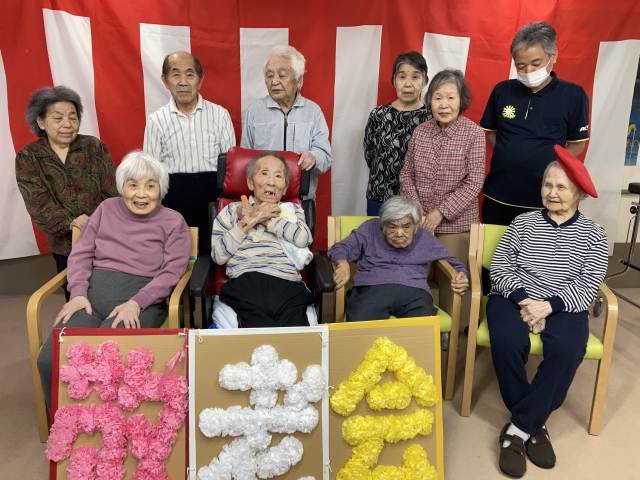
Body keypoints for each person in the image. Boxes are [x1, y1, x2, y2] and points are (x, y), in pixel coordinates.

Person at [488, 146, 607, 478]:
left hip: (564, 303)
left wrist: (549, 305)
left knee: (568, 349)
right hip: (515, 298)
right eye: (548, 185)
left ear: (579, 194)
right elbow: (499, 268)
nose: (552, 193)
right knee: (506, 340)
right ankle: (535, 424)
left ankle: (518, 428)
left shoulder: (594, 234)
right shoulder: (522, 223)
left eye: (561, 187)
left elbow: (588, 284)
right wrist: (526, 300)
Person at [37, 151, 191, 409]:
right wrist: (78, 293)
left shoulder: (173, 221)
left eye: (150, 186)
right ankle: (65, 420)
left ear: (161, 190)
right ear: (122, 187)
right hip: (89, 300)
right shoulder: (106, 209)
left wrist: (137, 302)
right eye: (133, 185)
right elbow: (81, 254)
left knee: (107, 358)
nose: (141, 194)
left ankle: (106, 422)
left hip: (140, 302)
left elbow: (173, 270)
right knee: (50, 359)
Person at [480, 22, 590, 226]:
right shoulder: (502, 91)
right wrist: (509, 155)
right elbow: (492, 132)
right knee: (494, 247)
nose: (528, 71)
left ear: (553, 55)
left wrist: (550, 168)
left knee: (539, 247)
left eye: (535, 63)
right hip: (499, 194)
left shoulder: (573, 95)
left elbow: (577, 145)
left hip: (545, 199)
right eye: (521, 66)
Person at [15, 86, 118, 300]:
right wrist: (71, 223)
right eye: (58, 118)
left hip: (105, 238)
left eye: (73, 117)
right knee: (75, 296)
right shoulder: (29, 157)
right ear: (40, 122)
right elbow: (38, 204)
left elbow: (112, 192)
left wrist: (95, 222)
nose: (67, 124)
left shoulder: (94, 147)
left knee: (111, 291)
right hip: (65, 244)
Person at [143, 51, 235, 256]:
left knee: (215, 257)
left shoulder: (220, 115)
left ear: (200, 80)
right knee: (178, 258)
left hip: (214, 199)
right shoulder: (156, 120)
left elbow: (230, 168)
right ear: (165, 81)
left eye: (190, 74)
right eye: (176, 75)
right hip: (173, 200)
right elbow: (151, 172)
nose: (183, 82)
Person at [211, 151, 314, 327]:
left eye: (278, 176)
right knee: (257, 335)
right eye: (264, 173)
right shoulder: (231, 211)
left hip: (287, 283)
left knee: (294, 337)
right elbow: (218, 256)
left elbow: (303, 238)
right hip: (245, 282)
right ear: (250, 182)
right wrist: (248, 221)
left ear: (285, 187)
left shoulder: (291, 210)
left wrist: (266, 218)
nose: (271, 182)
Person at [327, 196, 469, 321]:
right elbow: (340, 248)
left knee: (422, 329)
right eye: (392, 227)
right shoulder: (370, 228)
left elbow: (453, 262)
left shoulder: (424, 237)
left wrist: (463, 276)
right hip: (371, 288)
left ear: (416, 226)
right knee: (363, 327)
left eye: (406, 227)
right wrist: (342, 263)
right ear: (383, 225)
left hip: (414, 292)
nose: (399, 233)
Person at [399, 69, 485, 265]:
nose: (443, 104)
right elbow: (406, 174)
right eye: (438, 98)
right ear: (430, 101)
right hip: (420, 222)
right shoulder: (420, 132)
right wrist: (416, 207)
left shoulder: (474, 134)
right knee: (415, 276)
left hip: (457, 226)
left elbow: (473, 183)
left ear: (461, 101)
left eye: (450, 98)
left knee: (453, 278)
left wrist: (440, 213)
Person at [241, 45, 333, 200]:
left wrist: (313, 157)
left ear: (299, 81)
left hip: (301, 199)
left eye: (282, 75)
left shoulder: (313, 111)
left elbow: (325, 157)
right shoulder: (255, 111)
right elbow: (245, 158)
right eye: (269, 75)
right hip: (264, 198)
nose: (274, 81)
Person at [364, 52, 431, 216]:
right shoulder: (379, 115)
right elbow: (370, 153)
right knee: (375, 233)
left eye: (415, 77)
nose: (408, 83)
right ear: (394, 80)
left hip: (417, 201)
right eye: (402, 77)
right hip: (379, 196)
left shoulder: (431, 118)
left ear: (424, 81)